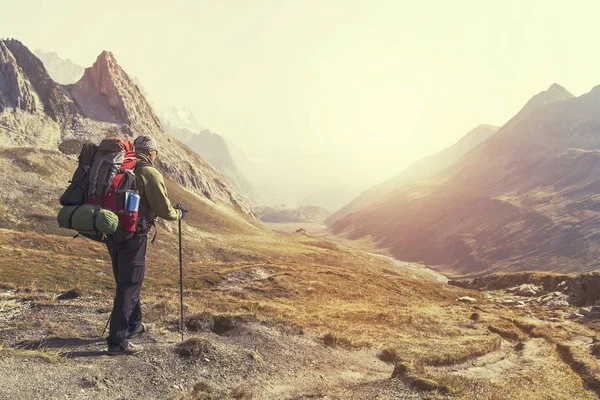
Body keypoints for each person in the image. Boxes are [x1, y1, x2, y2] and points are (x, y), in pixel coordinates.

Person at [106, 135, 186, 355]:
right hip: (134, 234)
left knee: (126, 280)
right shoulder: (149, 172)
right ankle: (117, 341)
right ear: (152, 153)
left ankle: (134, 324)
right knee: (130, 283)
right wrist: (179, 213)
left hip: (112, 230)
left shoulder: (121, 165)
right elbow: (163, 209)